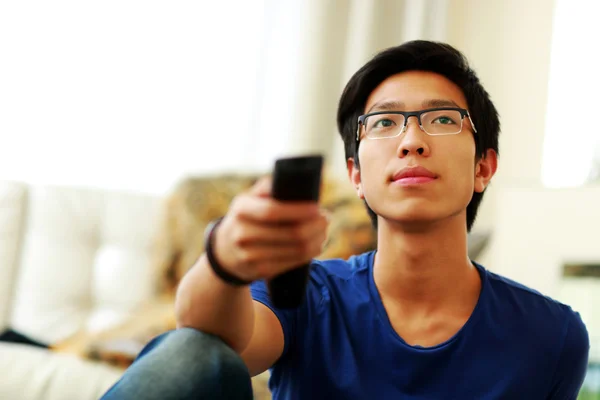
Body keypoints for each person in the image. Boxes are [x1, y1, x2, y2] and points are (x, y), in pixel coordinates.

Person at [101, 40, 590, 400]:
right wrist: (226, 259)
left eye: (442, 119)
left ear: (484, 167)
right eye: (384, 122)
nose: (411, 141)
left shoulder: (552, 335)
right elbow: (213, 343)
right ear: (356, 175)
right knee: (189, 354)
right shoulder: (309, 294)